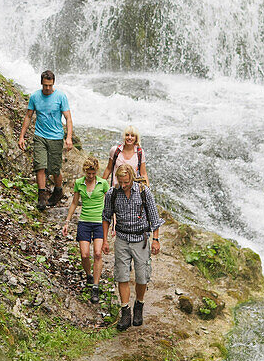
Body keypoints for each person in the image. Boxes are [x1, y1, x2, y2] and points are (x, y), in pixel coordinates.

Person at [102, 164, 163, 331]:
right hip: (121, 239)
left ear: (131, 177)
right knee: (122, 275)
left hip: (140, 239)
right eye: (120, 182)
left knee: (142, 276)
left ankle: (139, 305)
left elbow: (154, 218)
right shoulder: (112, 193)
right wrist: (105, 241)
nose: (123, 185)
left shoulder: (143, 192)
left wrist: (156, 239)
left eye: (126, 182)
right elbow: (106, 217)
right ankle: (125, 311)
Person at [18, 70, 74, 211]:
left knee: (55, 169)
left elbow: (68, 118)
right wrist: (21, 136)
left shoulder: (60, 96)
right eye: (45, 85)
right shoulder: (35, 97)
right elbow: (28, 116)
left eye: (49, 85)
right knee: (40, 165)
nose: (47, 88)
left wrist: (68, 137)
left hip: (56, 137)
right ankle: (41, 196)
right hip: (40, 136)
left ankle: (58, 191)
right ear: (41, 83)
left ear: (53, 83)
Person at [62, 156, 110, 303]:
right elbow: (75, 203)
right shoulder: (79, 183)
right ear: (84, 171)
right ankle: (89, 274)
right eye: (88, 173)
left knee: (97, 253)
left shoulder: (103, 183)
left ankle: (95, 286)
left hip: (99, 222)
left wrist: (112, 223)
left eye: (93, 173)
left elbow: (109, 204)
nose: (90, 176)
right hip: (84, 222)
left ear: (96, 172)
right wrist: (67, 222)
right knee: (84, 254)